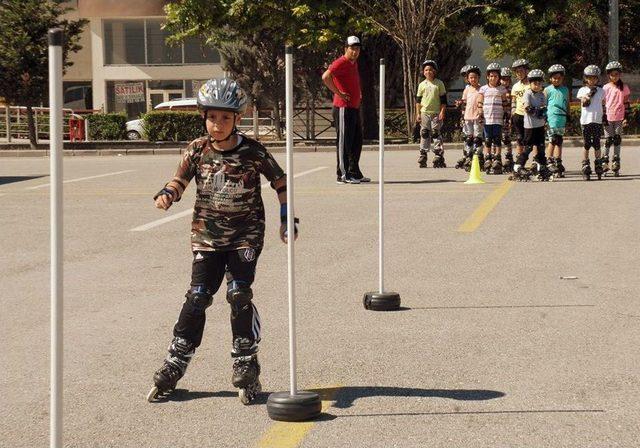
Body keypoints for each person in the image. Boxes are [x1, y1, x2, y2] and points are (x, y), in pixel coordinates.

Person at [147, 78, 297, 404]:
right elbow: (179, 180)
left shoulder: (253, 151)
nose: (218, 124)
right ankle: (177, 357)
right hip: (206, 235)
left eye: (225, 118)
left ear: (236, 119)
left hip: (246, 232)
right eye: (212, 117)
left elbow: (281, 182)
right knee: (198, 296)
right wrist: (168, 194)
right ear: (204, 117)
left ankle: (245, 356)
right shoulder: (197, 149)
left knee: (238, 294)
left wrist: (287, 219)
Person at [322, 36, 370, 184]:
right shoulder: (341, 62)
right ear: (346, 49)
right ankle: (342, 174)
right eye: (352, 48)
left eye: (357, 49)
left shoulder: (353, 63)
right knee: (344, 142)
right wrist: (338, 92)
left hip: (353, 108)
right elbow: (326, 77)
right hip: (343, 108)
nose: (355, 52)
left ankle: (354, 172)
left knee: (356, 141)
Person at [511, 69, 550, 181]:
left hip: (540, 126)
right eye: (535, 83)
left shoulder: (542, 95)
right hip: (530, 126)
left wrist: (541, 112)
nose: (537, 86)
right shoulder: (527, 93)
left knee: (541, 147)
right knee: (528, 147)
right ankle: (518, 166)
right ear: (530, 83)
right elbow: (527, 108)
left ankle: (541, 166)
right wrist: (538, 111)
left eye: (539, 83)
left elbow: (544, 109)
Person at [477, 63, 509, 174]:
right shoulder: (483, 89)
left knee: (497, 139)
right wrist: (480, 113)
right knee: (487, 140)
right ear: (487, 77)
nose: (493, 78)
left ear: (499, 77)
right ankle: (487, 158)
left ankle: (497, 158)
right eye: (491, 76)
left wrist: (506, 115)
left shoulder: (502, 89)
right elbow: (480, 102)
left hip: (498, 118)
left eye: (495, 76)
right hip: (487, 118)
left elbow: (505, 103)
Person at [415, 59, 447, 168]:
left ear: (434, 71)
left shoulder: (439, 83)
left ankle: (438, 153)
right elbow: (418, 101)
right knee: (424, 133)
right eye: (426, 70)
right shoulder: (421, 85)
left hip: (436, 113)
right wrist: (418, 113)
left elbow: (443, 101)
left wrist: (442, 112)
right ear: (423, 72)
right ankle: (423, 153)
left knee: (435, 133)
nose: (428, 72)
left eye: (430, 70)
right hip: (424, 112)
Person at [577, 65, 606, 180]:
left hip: (597, 120)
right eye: (589, 78)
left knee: (597, 143)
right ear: (585, 78)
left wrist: (605, 116)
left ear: (597, 79)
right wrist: (589, 94)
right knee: (587, 144)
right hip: (586, 121)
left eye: (594, 78)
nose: (592, 80)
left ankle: (598, 163)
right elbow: (584, 101)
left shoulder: (601, 91)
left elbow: (603, 104)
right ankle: (585, 164)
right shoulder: (582, 90)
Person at [602, 61, 631, 176]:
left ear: (620, 75)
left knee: (617, 140)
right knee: (608, 140)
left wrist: (626, 118)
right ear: (609, 75)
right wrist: (603, 117)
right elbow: (602, 103)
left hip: (619, 117)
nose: (614, 76)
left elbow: (627, 103)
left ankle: (616, 162)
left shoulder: (624, 87)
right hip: (608, 117)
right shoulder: (605, 88)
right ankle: (605, 162)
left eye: (616, 74)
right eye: (612, 74)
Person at [544, 64, 570, 178]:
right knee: (552, 140)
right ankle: (549, 161)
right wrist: (544, 119)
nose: (556, 80)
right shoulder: (547, 90)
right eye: (554, 78)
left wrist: (568, 116)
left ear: (562, 78)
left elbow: (567, 104)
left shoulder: (565, 89)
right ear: (550, 78)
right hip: (552, 119)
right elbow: (544, 105)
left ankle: (558, 161)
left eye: (559, 78)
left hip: (561, 119)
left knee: (559, 141)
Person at [460, 65, 483, 171]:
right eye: (471, 77)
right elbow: (464, 103)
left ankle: (478, 156)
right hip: (467, 117)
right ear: (468, 79)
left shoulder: (482, 89)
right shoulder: (467, 90)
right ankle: (469, 156)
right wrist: (461, 115)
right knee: (469, 138)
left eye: (475, 77)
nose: (473, 79)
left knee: (477, 138)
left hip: (477, 117)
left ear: (478, 78)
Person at [510, 59, 530, 159]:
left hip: (530, 115)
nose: (519, 73)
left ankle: (534, 160)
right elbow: (513, 100)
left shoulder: (531, 84)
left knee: (530, 139)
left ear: (527, 71)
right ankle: (519, 159)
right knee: (519, 138)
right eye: (517, 72)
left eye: (521, 71)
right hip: (518, 115)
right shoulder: (515, 86)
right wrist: (513, 112)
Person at [455, 65, 472, 169]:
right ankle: (466, 155)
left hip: (472, 116)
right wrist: (459, 103)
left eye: (467, 76)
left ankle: (472, 156)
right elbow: (465, 101)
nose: (466, 78)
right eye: (465, 76)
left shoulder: (477, 88)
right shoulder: (466, 88)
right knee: (466, 136)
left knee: (472, 137)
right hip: (465, 115)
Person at [499, 67, 514, 172]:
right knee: (496, 138)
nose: (505, 81)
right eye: (503, 79)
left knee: (506, 138)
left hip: (507, 117)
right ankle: (497, 157)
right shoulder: (498, 90)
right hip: (497, 116)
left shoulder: (512, 90)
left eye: (507, 79)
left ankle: (508, 157)